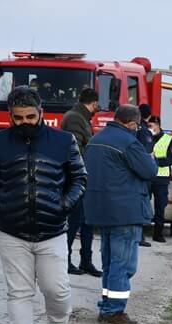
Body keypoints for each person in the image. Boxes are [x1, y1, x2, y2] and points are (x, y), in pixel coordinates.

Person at [0, 86, 86, 324]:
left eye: (30, 116)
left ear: (41, 114)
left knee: (56, 289)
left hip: (53, 230)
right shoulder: (0, 142)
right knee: (19, 292)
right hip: (11, 230)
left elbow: (79, 179)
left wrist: (64, 204)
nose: (25, 122)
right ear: (11, 116)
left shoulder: (63, 141)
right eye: (18, 117)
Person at [83, 104, 158, 324]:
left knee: (109, 261)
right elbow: (149, 170)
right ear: (132, 123)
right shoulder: (129, 142)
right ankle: (114, 311)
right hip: (124, 211)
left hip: (101, 209)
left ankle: (106, 304)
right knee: (123, 264)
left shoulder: (96, 139)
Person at [60, 87, 102, 277]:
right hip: (77, 179)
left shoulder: (81, 117)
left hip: (83, 178)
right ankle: (66, 260)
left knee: (86, 221)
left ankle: (86, 261)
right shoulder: (76, 118)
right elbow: (75, 151)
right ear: (93, 104)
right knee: (75, 221)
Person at [148, 116, 172, 243]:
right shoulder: (145, 137)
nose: (150, 128)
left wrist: (156, 161)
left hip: (161, 177)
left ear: (158, 125)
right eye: (148, 126)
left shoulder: (169, 139)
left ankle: (158, 233)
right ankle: (140, 233)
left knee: (160, 206)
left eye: (151, 126)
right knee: (143, 203)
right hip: (147, 176)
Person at [135, 103, 155, 248]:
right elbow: (148, 154)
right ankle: (139, 235)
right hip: (143, 174)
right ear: (148, 116)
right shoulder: (145, 132)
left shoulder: (131, 129)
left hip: (131, 173)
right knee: (142, 204)